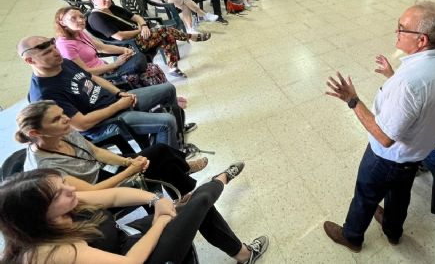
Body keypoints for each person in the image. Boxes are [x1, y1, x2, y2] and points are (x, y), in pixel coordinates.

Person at [323, 1, 435, 251]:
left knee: (366, 194)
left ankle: (352, 236)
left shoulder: (410, 82)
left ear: (422, 40)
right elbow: (421, 100)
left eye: (402, 28)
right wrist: (391, 76)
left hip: (387, 157)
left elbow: (384, 137)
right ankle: (393, 231)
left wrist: (352, 99)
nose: (396, 32)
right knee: (400, 193)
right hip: (416, 153)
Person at [0, 168, 269, 264]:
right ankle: (219, 181)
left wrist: (157, 200)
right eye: (59, 193)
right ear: (38, 214)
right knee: (199, 202)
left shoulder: (63, 204)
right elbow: (130, 262)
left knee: (189, 209)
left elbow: (115, 196)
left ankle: (243, 255)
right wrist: (161, 219)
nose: (72, 190)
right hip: (135, 258)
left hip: (123, 239)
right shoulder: (50, 252)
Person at [19, 35, 191, 149]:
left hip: (116, 103)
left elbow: (93, 78)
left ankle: (175, 140)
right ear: (29, 60)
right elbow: (82, 124)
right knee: (166, 121)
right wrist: (118, 106)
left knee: (168, 89)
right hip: (104, 124)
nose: (56, 53)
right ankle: (171, 163)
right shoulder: (45, 93)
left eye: (54, 47)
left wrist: (118, 93)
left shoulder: (62, 63)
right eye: (48, 52)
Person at [18, 100, 207, 196]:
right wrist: (130, 170)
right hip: (97, 193)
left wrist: (128, 161)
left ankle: (184, 190)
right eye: (56, 119)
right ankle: (185, 180)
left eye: (62, 114)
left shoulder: (62, 131)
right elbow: (95, 193)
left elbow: (96, 152)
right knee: (160, 156)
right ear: (35, 133)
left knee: (160, 155)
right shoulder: (46, 169)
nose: (66, 119)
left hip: (101, 169)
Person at [85, 0, 209, 78]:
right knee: (164, 30)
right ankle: (190, 37)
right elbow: (119, 36)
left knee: (167, 35)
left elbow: (135, 16)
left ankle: (173, 68)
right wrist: (139, 31)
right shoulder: (96, 18)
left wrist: (143, 26)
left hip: (140, 35)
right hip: (130, 45)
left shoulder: (111, 7)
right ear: (92, 0)